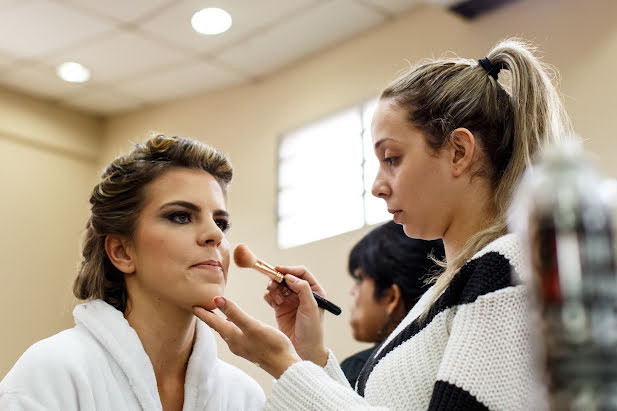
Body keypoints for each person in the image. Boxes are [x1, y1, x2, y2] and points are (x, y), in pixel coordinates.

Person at [193, 37, 572, 410]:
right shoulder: (450, 290)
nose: (376, 186)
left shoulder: (507, 269)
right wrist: (309, 356)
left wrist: (283, 365)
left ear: (459, 152)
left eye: (391, 158)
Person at [0, 135, 266, 410]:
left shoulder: (244, 396)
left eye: (221, 223)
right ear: (122, 252)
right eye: (181, 216)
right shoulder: (52, 373)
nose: (214, 235)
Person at [340, 221, 444, 388]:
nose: (352, 291)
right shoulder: (448, 356)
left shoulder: (357, 372)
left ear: (391, 298)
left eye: (359, 279)